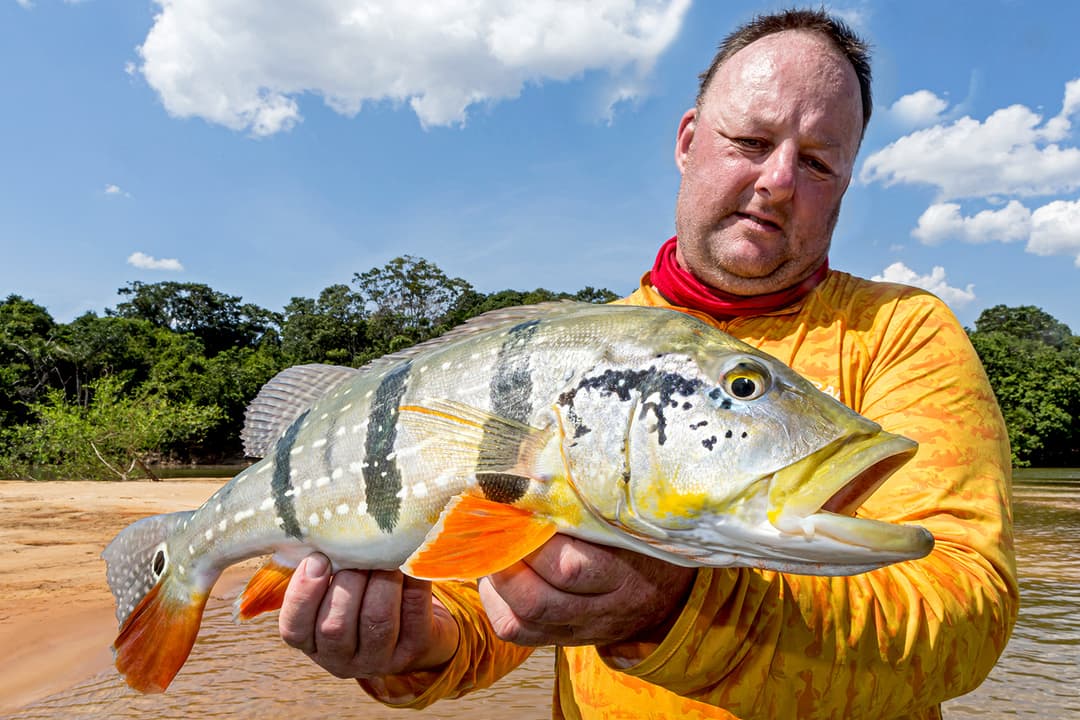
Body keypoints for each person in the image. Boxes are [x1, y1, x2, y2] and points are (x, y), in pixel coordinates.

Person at [276, 8, 1018, 718]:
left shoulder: (902, 331)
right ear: (689, 140)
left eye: (819, 162)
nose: (780, 180)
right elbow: (491, 598)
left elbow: (963, 620)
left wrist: (679, 607)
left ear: (847, 185)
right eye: (751, 142)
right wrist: (415, 646)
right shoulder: (578, 353)